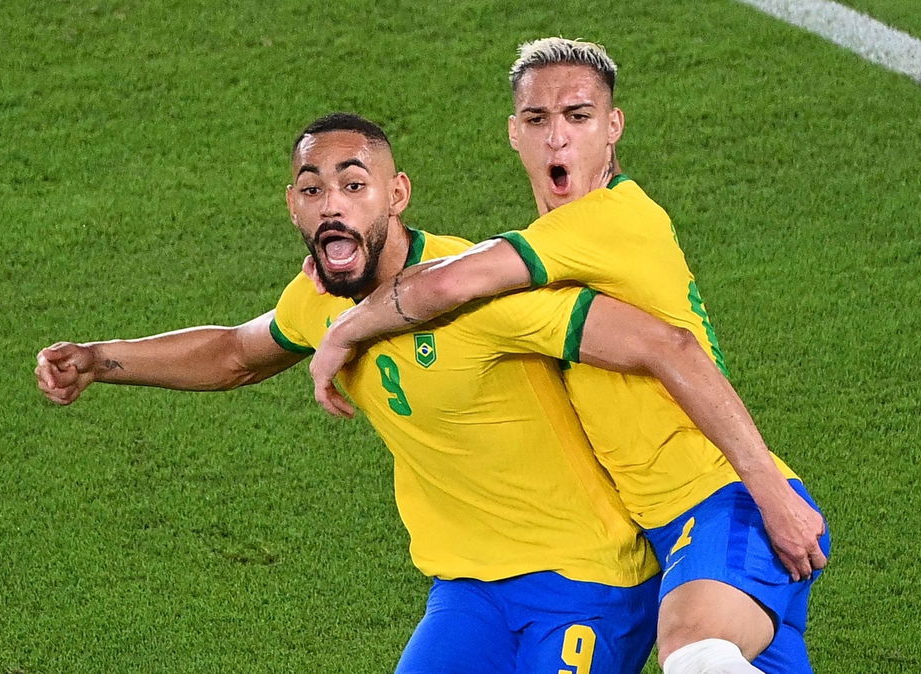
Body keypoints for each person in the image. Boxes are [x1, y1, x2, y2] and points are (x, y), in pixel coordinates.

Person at [34, 112, 788, 673]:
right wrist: (102, 359)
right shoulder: (320, 300)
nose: (333, 204)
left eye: (354, 185)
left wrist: (762, 485)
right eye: (313, 188)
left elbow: (660, 343)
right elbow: (236, 352)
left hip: (585, 581)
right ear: (293, 207)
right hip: (468, 591)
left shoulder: (483, 291)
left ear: (395, 196)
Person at [308, 40, 830, 673]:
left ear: (613, 128)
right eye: (538, 120)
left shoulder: (609, 221)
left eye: (578, 117)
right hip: (667, 532)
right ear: (513, 134)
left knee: (695, 655)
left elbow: (443, 283)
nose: (557, 139)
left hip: (725, 501)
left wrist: (345, 328)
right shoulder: (562, 245)